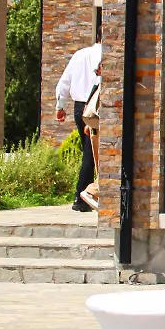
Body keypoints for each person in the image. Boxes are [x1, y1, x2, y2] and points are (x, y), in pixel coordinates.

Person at [54, 39, 102, 211]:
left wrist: (60, 106)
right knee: (91, 153)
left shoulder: (79, 55)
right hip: (95, 104)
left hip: (79, 106)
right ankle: (83, 196)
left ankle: (86, 195)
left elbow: (64, 81)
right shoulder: (106, 55)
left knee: (89, 152)